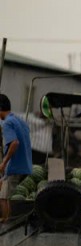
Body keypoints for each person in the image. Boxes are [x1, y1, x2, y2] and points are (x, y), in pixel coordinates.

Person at [0, 94, 33, 223]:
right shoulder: (19, 121)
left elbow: (15, 143)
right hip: (26, 166)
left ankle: (5, 224)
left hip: (14, 166)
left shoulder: (8, 123)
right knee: (5, 191)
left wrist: (4, 162)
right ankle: (8, 220)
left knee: (3, 198)